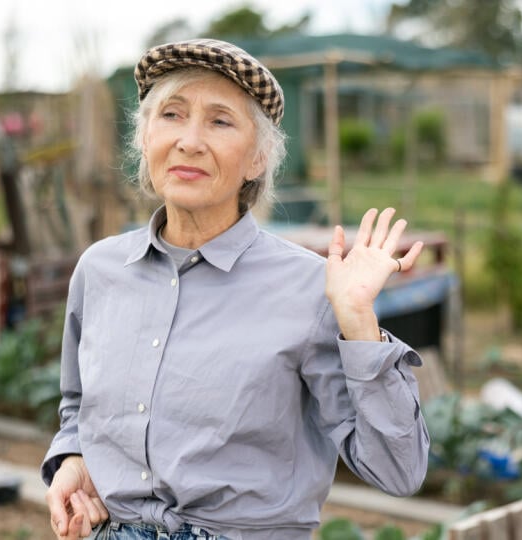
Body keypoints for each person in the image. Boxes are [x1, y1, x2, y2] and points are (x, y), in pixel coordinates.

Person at [41, 38, 430, 540]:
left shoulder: (310, 290)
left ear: (258, 159)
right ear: (144, 140)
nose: (189, 141)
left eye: (220, 121)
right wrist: (72, 455)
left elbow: (399, 470)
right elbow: (76, 405)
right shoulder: (99, 271)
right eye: (172, 115)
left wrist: (358, 319)